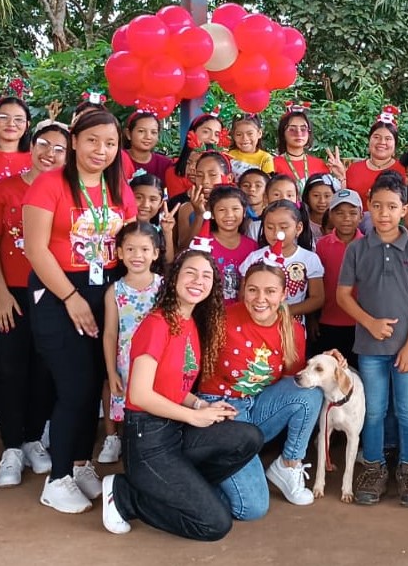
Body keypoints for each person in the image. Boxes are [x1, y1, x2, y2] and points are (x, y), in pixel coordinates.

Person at [99, 250, 264, 541]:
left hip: (174, 431)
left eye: (206, 276)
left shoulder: (189, 322)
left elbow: (176, 386)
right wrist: (194, 416)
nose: (198, 281)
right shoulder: (157, 323)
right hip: (148, 441)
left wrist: (202, 404)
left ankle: (185, 489)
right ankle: (125, 496)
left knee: (248, 436)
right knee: (215, 525)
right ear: (174, 277)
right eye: (190, 272)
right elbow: (139, 394)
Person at [23, 110, 138, 513]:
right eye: (92, 141)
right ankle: (56, 481)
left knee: (93, 388)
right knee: (74, 386)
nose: (101, 150)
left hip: (104, 292)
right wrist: (70, 297)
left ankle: (79, 463)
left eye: (109, 143)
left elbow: (130, 244)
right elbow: (36, 250)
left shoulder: (119, 189)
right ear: (74, 141)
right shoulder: (49, 184)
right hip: (58, 294)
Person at [195, 259, 325, 518]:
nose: (260, 299)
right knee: (250, 508)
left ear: (284, 294)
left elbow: (293, 384)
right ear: (243, 290)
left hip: (259, 407)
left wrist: (327, 361)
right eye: (252, 290)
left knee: (310, 391)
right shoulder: (221, 318)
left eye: (270, 291)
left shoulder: (292, 329)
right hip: (222, 409)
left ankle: (288, 465)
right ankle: (199, 479)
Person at [0, 122, 68, 488]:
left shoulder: (69, 191)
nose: (50, 153)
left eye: (59, 148)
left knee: (45, 368)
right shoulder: (4, 189)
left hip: (54, 293)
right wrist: (0, 292)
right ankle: (11, 448)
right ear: (31, 147)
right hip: (12, 293)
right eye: (43, 144)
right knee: (9, 368)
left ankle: (34, 438)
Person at [339, 176, 408, 507]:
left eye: (392, 207)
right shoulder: (357, 249)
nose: (384, 213)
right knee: (374, 412)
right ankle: (375, 468)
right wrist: (370, 323)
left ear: (404, 209)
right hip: (370, 348)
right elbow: (343, 295)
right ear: (369, 205)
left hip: (406, 350)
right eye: (377, 206)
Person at [99, 222, 166, 466]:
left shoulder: (163, 288)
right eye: (130, 249)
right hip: (124, 361)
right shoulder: (114, 291)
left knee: (153, 399)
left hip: (156, 359)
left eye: (145, 249)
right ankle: (113, 437)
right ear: (119, 253)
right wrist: (111, 370)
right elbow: (109, 334)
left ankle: (154, 440)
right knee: (116, 391)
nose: (137, 256)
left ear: (155, 253)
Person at [241, 200, 325, 318]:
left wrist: (283, 312)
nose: (276, 233)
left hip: (292, 327)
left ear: (298, 228)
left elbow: (317, 298)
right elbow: (243, 295)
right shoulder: (254, 258)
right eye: (270, 227)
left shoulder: (309, 259)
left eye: (283, 227)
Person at [313, 188, 363, 361]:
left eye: (352, 213)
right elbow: (315, 285)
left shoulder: (368, 245)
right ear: (331, 216)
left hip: (359, 323)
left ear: (361, 216)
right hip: (328, 322)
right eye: (340, 213)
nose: (347, 218)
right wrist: (313, 318)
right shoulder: (321, 246)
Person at [345, 107, 406, 201]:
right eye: (376, 137)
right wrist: (341, 177)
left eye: (388, 139)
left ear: (395, 144)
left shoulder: (404, 171)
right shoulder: (353, 169)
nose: (382, 142)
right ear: (369, 140)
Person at [169, 112, 225, 197]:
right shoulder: (174, 171)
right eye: (206, 132)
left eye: (217, 134)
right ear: (192, 132)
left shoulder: (225, 165)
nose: (212, 138)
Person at [274, 107, 330, 188]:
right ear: (283, 134)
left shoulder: (320, 164)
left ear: (309, 133)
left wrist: (341, 176)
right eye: (292, 129)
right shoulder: (273, 164)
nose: (298, 133)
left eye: (303, 129)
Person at [124, 111, 174, 182]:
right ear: (128, 134)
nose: (148, 137)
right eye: (141, 131)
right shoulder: (118, 159)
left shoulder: (165, 164)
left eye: (153, 132)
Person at [300, 173, 337, 241]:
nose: (322, 201)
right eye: (316, 195)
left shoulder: (339, 221)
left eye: (327, 196)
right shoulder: (301, 220)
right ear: (307, 196)